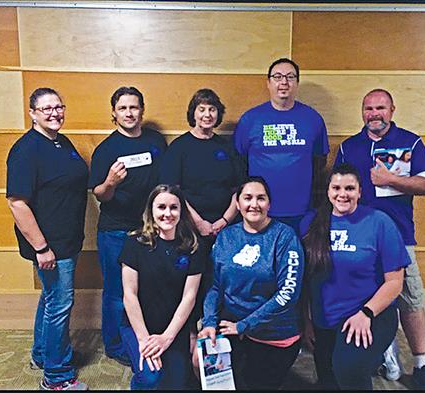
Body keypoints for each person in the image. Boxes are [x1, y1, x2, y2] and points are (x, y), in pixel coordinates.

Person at [334, 88, 425, 389]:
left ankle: (421, 364)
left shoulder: (410, 141)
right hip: (359, 238)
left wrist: (391, 179)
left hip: (399, 237)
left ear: (392, 109)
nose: (374, 114)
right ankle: (383, 351)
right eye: (368, 108)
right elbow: (338, 186)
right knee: (366, 296)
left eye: (380, 107)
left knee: (409, 297)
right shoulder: (349, 147)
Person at [6, 88, 88, 390]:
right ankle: (56, 376)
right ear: (32, 113)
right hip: (50, 245)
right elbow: (17, 203)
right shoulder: (26, 150)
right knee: (60, 303)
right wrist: (42, 247)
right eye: (46, 109)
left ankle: (42, 354)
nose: (54, 113)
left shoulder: (60, 141)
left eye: (58, 107)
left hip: (67, 239)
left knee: (52, 298)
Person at [302, 163, 410, 390]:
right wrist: (306, 320)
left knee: (348, 370)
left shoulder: (379, 222)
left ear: (360, 191)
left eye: (350, 188)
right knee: (328, 381)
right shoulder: (310, 223)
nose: (343, 194)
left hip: (369, 314)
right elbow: (306, 279)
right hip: (325, 320)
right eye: (337, 188)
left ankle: (382, 349)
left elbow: (394, 282)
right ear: (328, 191)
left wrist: (366, 313)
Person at [197, 177, 304, 390]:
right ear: (237, 203)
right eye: (248, 198)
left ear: (269, 204)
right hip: (232, 328)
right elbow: (215, 285)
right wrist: (209, 321)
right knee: (216, 380)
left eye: (261, 198)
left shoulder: (284, 237)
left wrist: (244, 325)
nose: (254, 204)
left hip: (272, 333)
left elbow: (288, 293)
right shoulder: (227, 236)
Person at [89, 86, 167, 366]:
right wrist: (110, 182)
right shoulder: (106, 149)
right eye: (122, 108)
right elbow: (99, 194)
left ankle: (141, 338)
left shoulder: (156, 141)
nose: (129, 113)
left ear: (142, 110)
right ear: (114, 112)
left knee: (146, 288)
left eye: (134, 107)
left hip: (150, 230)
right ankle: (114, 346)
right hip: (116, 231)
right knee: (116, 292)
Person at [160, 88, 244, 330]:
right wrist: (199, 223)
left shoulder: (226, 147)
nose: (207, 114)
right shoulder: (179, 147)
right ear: (193, 113)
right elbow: (173, 191)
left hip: (225, 228)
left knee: (220, 278)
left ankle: (218, 327)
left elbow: (238, 188)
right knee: (191, 279)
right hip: (190, 227)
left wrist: (225, 221)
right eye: (202, 109)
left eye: (212, 109)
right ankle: (189, 332)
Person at [118, 184, 204, 390]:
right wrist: (144, 341)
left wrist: (167, 338)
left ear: (181, 211)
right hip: (137, 326)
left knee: (177, 384)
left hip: (174, 327)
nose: (168, 213)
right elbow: (129, 295)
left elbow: (189, 297)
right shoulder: (135, 243)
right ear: (151, 211)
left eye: (174, 207)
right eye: (161, 207)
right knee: (151, 377)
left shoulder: (193, 246)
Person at [233, 58, 329, 235]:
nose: (284, 82)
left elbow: (319, 162)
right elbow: (239, 162)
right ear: (268, 83)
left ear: (297, 83)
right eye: (277, 77)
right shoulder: (250, 119)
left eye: (290, 77)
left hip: (301, 212)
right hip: (259, 212)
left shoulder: (313, 119)